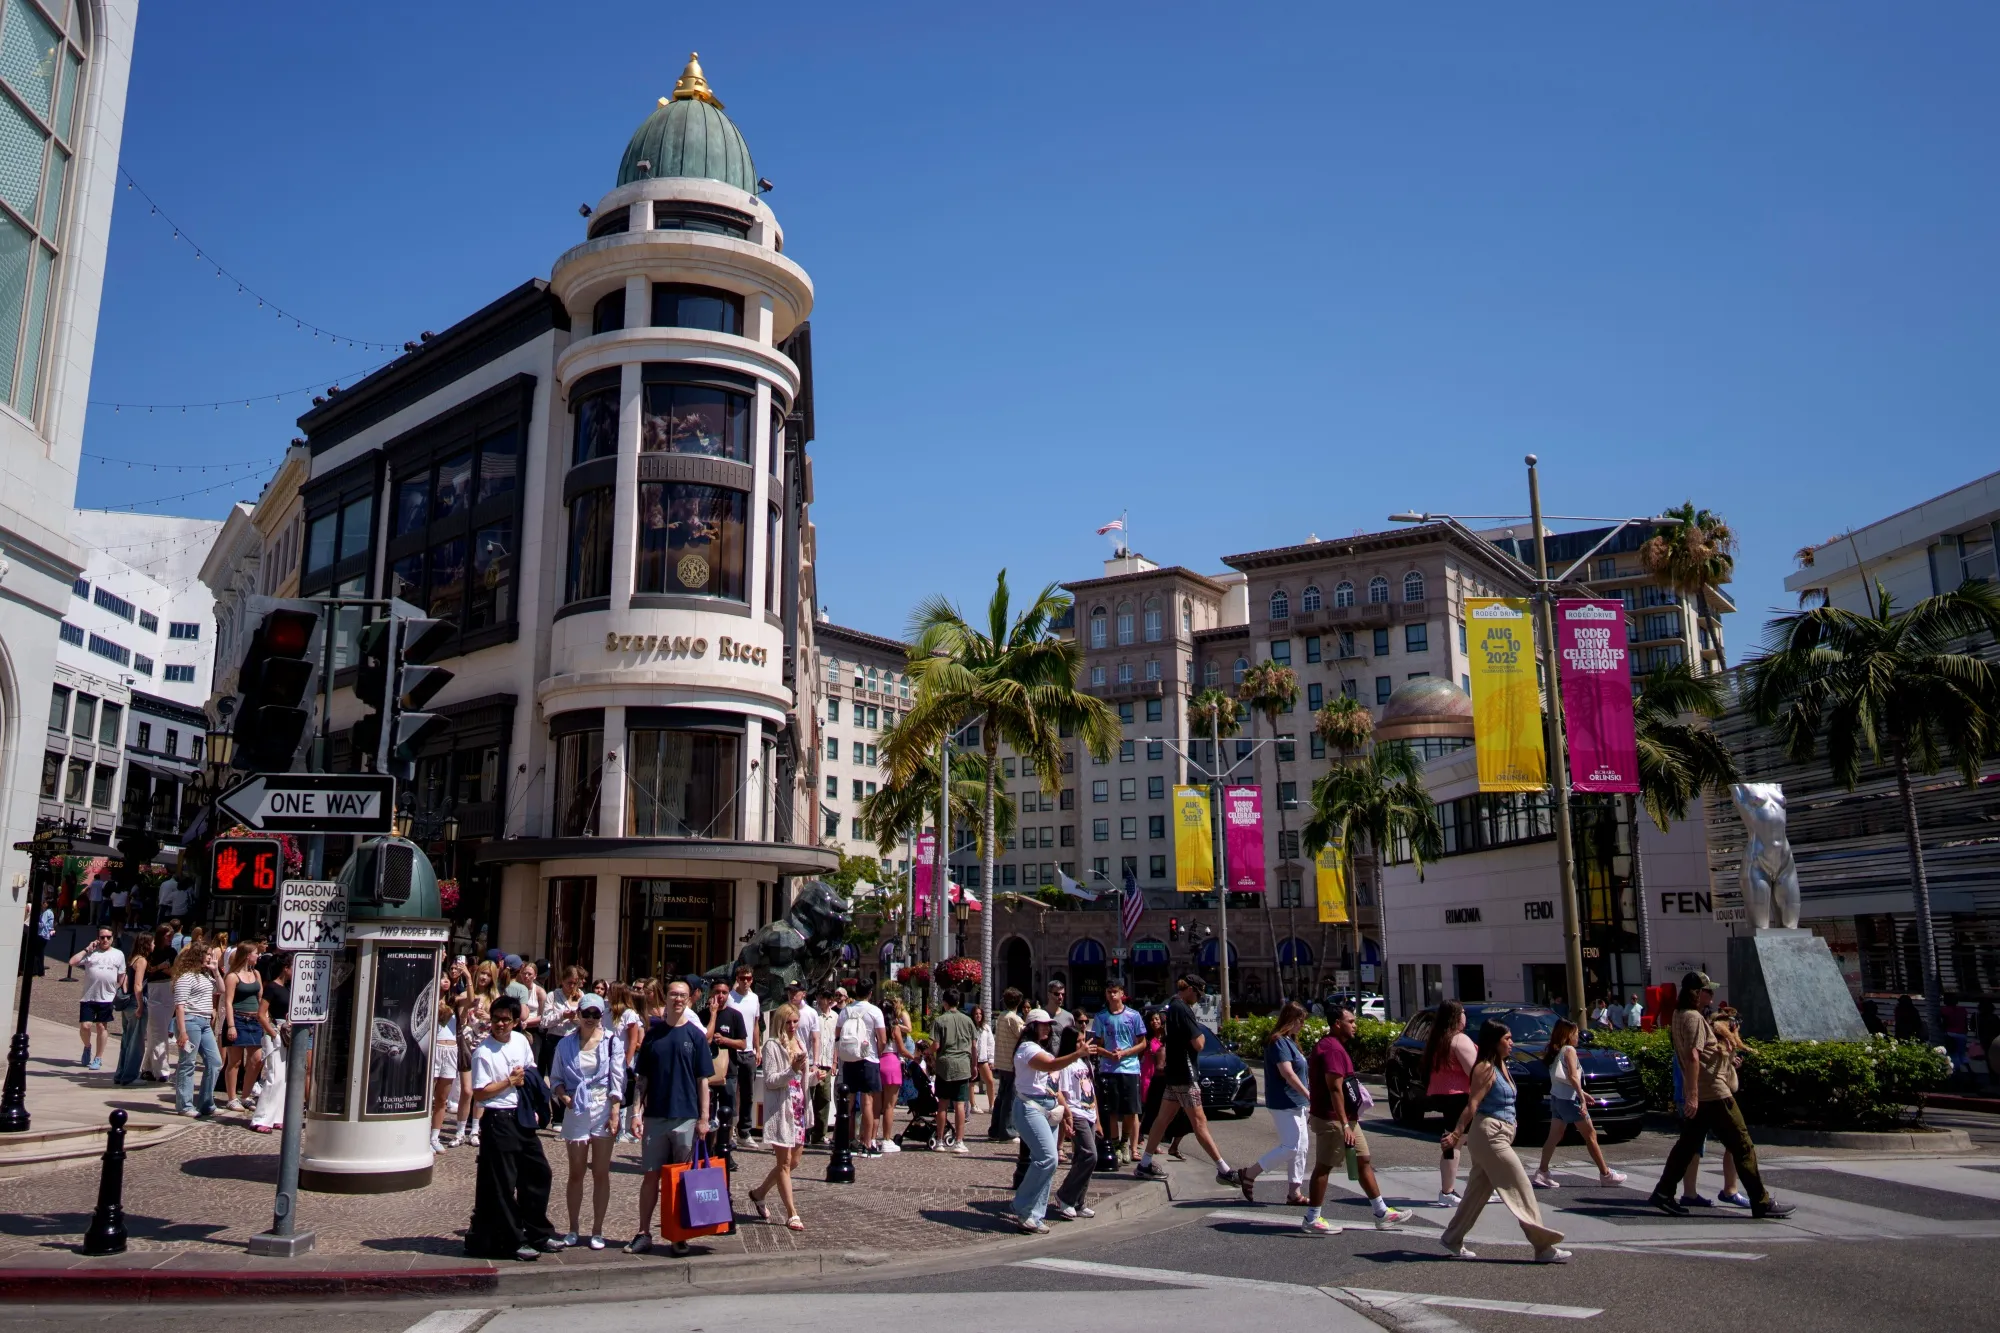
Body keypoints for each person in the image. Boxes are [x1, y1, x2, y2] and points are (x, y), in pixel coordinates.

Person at [1648, 972, 1793, 1220]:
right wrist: (1693, 1095)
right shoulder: (1694, 1018)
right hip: (1713, 1093)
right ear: (1696, 993)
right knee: (1742, 1144)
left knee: (1686, 1146)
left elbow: (1699, 1054)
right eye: (1708, 991)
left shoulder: (1678, 1014)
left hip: (1703, 1094)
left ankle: (1663, 1192)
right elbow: (1694, 1056)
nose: (1712, 996)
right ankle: (1761, 1202)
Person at [1438, 1019, 1569, 1262]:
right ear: (1494, 1042)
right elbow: (1472, 1104)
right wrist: (1456, 1133)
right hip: (1490, 1135)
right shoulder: (1485, 1068)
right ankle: (1543, 1248)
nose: (1512, 1043)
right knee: (1521, 1186)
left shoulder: (1502, 1065)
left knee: (1476, 1193)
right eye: (1507, 1039)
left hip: (1499, 1134)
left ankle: (1452, 1238)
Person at [1302, 1005, 1414, 1235]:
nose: (1355, 1025)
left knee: (1363, 1160)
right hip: (1334, 1119)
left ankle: (1381, 1212)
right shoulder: (1332, 1049)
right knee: (1324, 1166)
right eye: (1351, 1021)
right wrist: (1344, 1124)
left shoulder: (1335, 1046)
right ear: (1337, 1024)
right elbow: (1335, 1089)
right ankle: (1312, 1218)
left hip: (1347, 1120)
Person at [465, 996, 557, 1260]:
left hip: (522, 1116)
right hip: (498, 1119)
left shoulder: (520, 1041)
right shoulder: (484, 1052)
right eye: (496, 1019)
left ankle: (538, 1233)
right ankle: (513, 1240)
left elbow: (531, 1070)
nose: (500, 1024)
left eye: (506, 1020)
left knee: (539, 1173)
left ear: (516, 1022)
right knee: (503, 1183)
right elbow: (480, 1093)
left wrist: (534, 1097)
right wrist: (509, 1081)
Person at [629, 980, 713, 1257]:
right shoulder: (653, 1035)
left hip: (686, 1117)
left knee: (681, 1180)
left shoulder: (696, 1036)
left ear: (689, 1000)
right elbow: (642, 1079)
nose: (678, 999)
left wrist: (704, 1118)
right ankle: (643, 1232)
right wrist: (636, 1113)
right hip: (655, 1117)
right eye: (674, 994)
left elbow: (703, 1081)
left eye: (683, 996)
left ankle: (679, 1234)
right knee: (650, 1176)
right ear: (665, 997)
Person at [1135, 975, 1233, 1184]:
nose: (1199, 998)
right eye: (1198, 993)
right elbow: (1199, 1043)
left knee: (1163, 1119)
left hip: (1175, 1073)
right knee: (1199, 1122)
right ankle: (1223, 1169)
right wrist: (1202, 1035)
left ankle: (1145, 1163)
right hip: (1186, 1076)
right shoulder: (1183, 1009)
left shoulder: (1172, 1006)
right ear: (1189, 989)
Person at [1010, 1008, 1098, 1234]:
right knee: (1047, 1158)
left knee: (1050, 1162)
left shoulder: (1041, 1049)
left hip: (1049, 1108)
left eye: (1049, 1024)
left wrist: (1066, 1113)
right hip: (1030, 1107)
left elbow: (1052, 1084)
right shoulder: (1027, 1048)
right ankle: (1022, 1206)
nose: (1047, 1028)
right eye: (1042, 1024)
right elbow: (1050, 1066)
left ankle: (1035, 1215)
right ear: (1032, 1026)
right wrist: (1078, 1054)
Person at [552, 993, 623, 1248]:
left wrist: (615, 1111)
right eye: (586, 1014)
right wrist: (564, 1098)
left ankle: (597, 1230)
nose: (591, 1019)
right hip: (576, 1108)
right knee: (576, 1172)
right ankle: (573, 1228)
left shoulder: (612, 1041)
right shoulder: (565, 1044)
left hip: (602, 1105)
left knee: (601, 1172)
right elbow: (556, 1079)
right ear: (578, 1015)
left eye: (596, 1014)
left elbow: (618, 1079)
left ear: (601, 1015)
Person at [1530, 1019, 1629, 1189]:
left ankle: (1542, 1172)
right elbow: (1572, 1077)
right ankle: (1606, 1174)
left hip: (1558, 1099)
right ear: (1569, 1035)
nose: (1578, 1037)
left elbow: (1563, 1078)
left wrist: (1583, 1093)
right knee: (1590, 1135)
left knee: (1554, 1136)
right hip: (1570, 1100)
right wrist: (1581, 1098)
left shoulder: (1557, 1051)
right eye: (1576, 1034)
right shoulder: (1569, 1050)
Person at [1237, 1001, 1311, 1205]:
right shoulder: (1278, 1042)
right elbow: (1287, 1073)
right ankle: (1249, 1173)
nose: (1302, 1025)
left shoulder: (1290, 1041)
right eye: (1300, 1021)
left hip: (1297, 1103)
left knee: (1301, 1147)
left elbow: (1301, 1072)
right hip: (1283, 1102)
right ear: (1290, 1019)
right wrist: (1308, 1094)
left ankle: (1294, 1193)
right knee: (1291, 1147)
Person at [748, 1002, 809, 1232]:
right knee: (783, 1163)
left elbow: (801, 1079)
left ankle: (759, 1193)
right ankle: (792, 1213)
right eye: (788, 1022)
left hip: (798, 1108)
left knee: (793, 1162)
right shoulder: (772, 1046)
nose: (792, 1026)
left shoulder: (799, 1042)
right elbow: (771, 1080)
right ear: (780, 1022)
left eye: (795, 1021)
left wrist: (813, 1076)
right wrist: (792, 1069)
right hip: (781, 1110)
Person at [1423, 1000, 1477, 1207]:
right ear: (1456, 1016)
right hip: (1461, 1096)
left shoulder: (1439, 1039)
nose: (1465, 1016)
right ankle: (1450, 1191)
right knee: (1459, 1142)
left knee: (1454, 1142)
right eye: (1463, 1012)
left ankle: (1454, 1190)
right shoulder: (1459, 1039)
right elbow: (1475, 1072)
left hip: (1443, 1095)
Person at [1088, 982, 1148, 1162]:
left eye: (1115, 992)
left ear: (1122, 993)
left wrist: (1125, 1053)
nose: (1112, 995)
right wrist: (1109, 1054)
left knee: (1130, 1110)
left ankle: (1125, 1142)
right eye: (1109, 992)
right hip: (1109, 1068)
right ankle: (1115, 1144)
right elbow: (1096, 1044)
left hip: (1130, 1068)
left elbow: (1142, 1043)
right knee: (1111, 1109)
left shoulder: (1133, 1015)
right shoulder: (1101, 1017)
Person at [1052, 1026, 1102, 1220]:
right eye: (1078, 1041)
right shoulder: (1065, 1064)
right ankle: (1065, 1195)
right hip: (1076, 1113)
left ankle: (1078, 1202)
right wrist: (1067, 1118)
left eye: (1083, 1040)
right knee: (1090, 1156)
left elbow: (1091, 1091)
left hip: (1089, 1113)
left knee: (1082, 1159)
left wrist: (1097, 1119)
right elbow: (1063, 1094)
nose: (1083, 1044)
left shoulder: (1083, 1062)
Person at [836, 979, 888, 1156]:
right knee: (867, 1101)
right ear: (870, 993)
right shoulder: (874, 1011)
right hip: (868, 1058)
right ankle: (867, 1142)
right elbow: (882, 1039)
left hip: (849, 1059)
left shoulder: (846, 1011)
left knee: (848, 1101)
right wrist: (877, 1053)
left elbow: (838, 1034)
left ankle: (847, 1140)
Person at [170, 943, 222, 1117]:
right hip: (190, 1021)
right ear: (198, 955)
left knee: (215, 1062)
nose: (210, 957)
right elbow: (180, 1006)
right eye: (208, 954)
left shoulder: (206, 976)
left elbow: (221, 989)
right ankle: (184, 1105)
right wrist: (182, 1032)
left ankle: (206, 1103)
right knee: (188, 1063)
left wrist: (216, 971)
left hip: (205, 1022)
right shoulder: (185, 977)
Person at [69, 927, 125, 1070]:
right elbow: (72, 962)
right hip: (89, 996)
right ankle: (87, 1046)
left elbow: (122, 974)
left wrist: (119, 990)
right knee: (85, 1026)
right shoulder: (92, 953)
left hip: (107, 997)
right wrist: (87, 949)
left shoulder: (118, 954)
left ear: (112, 938)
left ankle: (98, 1057)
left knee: (101, 1026)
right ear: (98, 939)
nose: (105, 940)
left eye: (108, 937)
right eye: (102, 937)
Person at [931, 986, 977, 1153]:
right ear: (958, 1002)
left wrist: (927, 1052)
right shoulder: (968, 1020)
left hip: (944, 1065)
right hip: (963, 1065)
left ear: (944, 1002)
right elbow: (974, 1046)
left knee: (942, 1104)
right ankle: (959, 1141)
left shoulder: (939, 1021)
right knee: (960, 1104)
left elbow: (936, 1046)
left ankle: (939, 1141)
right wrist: (974, 1065)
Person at [219, 943, 265, 1111]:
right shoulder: (233, 976)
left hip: (254, 1020)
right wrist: (231, 1025)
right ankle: (232, 1098)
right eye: (255, 953)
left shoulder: (256, 973)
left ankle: (245, 1096)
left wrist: (264, 1018)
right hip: (238, 1019)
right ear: (247, 955)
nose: (258, 956)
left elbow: (260, 997)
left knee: (257, 1060)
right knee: (235, 1061)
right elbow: (228, 1002)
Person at [250, 957, 291, 1134]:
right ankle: (261, 1118)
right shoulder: (272, 987)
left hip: (287, 1033)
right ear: (285, 968)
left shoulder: (289, 988)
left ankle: (277, 1117)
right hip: (276, 1033)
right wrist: (273, 1033)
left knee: (284, 1078)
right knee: (274, 1076)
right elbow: (261, 1014)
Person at [726, 964, 764, 1141]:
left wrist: (758, 1048)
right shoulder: (730, 998)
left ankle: (745, 1130)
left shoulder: (754, 998)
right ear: (737, 979)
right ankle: (730, 1128)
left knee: (748, 1092)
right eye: (742, 978)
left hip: (748, 1050)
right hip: (733, 1049)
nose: (746, 982)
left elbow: (755, 1025)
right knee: (731, 1091)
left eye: (748, 978)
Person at [112, 935, 153, 1086]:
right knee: (136, 1042)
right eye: (152, 942)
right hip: (136, 1002)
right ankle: (129, 1076)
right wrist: (141, 1005)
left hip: (128, 1003)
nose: (154, 945)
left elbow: (126, 982)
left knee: (127, 1039)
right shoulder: (142, 960)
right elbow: (138, 985)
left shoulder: (133, 959)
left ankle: (120, 1074)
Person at [988, 987, 1026, 1140]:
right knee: (1010, 1099)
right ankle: (1007, 1131)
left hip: (1002, 1062)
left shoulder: (1001, 1016)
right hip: (1011, 1064)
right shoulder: (1014, 1019)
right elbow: (1024, 1036)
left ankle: (995, 1130)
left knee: (1001, 1098)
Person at [141, 924, 179, 1081]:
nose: (170, 938)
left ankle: (148, 1068)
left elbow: (174, 971)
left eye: (172, 935)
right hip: (154, 990)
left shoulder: (172, 952)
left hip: (168, 990)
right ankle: (162, 1070)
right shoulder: (153, 951)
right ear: (161, 935)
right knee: (158, 1031)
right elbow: (148, 969)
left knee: (156, 1031)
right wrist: (160, 967)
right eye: (168, 935)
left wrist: (161, 969)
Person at [611, 981, 646, 1141]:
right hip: (608, 1058)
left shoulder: (630, 1015)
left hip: (624, 1059)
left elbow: (633, 1041)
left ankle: (622, 1129)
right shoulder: (607, 1012)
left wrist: (626, 1062)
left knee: (624, 1093)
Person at [430, 989, 464, 1152]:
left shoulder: (454, 1001)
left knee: (442, 1098)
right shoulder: (430, 998)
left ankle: (434, 1137)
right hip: (435, 1047)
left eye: (447, 979)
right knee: (428, 1098)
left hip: (451, 1050)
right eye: (442, 978)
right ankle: (422, 1136)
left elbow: (470, 999)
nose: (444, 981)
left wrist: (467, 977)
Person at [879, 997, 911, 1151]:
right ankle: (886, 1139)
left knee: (875, 1106)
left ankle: (870, 1139)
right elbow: (902, 1049)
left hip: (878, 1062)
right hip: (892, 1062)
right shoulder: (894, 1027)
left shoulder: (876, 1026)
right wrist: (914, 1057)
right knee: (889, 1106)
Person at [807, 986, 837, 1145]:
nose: (819, 1001)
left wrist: (834, 1062)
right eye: (818, 997)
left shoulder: (835, 1017)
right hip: (812, 1062)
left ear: (829, 1000)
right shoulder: (813, 1015)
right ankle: (805, 1132)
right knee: (808, 1097)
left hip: (827, 1063)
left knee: (824, 1099)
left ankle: (819, 1134)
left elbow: (836, 1042)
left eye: (822, 998)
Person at [972, 1003, 996, 1114]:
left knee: (990, 1081)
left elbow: (991, 1043)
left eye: (980, 1014)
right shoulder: (970, 1027)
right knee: (971, 1083)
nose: (978, 1016)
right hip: (972, 1059)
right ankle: (973, 1105)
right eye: (976, 1014)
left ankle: (992, 1105)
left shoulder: (986, 1028)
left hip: (983, 1058)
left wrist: (991, 1059)